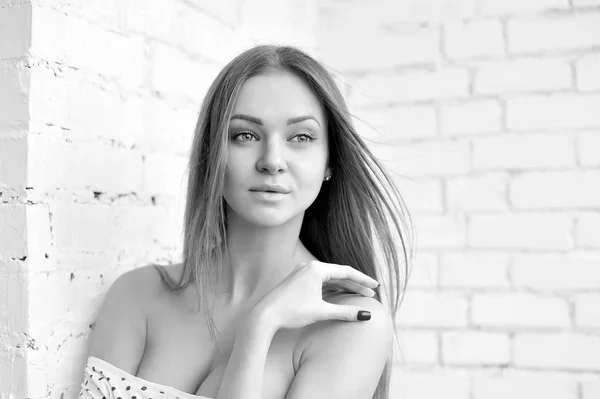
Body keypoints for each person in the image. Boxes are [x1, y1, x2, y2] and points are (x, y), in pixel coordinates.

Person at [78, 45, 413, 399]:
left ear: (331, 162)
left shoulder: (349, 324)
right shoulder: (137, 294)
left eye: (301, 137)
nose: (272, 160)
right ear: (212, 157)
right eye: (245, 135)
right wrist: (264, 321)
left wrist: (258, 326)